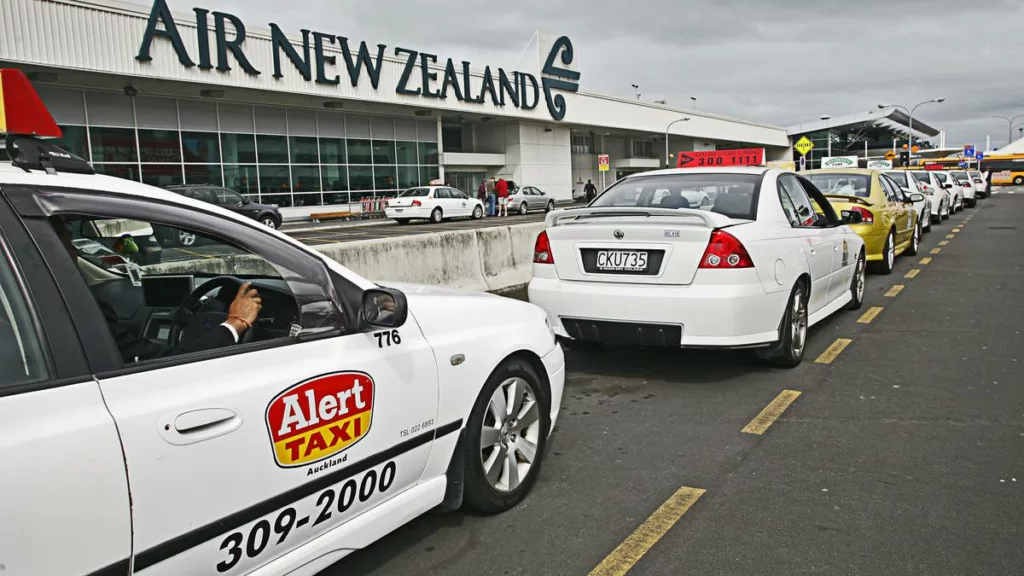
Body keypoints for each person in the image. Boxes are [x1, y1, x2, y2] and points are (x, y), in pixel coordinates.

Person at [50, 216, 263, 362]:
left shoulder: (40, 303)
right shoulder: (76, 312)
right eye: (70, 245)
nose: (75, 254)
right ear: (52, 251)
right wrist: (235, 322)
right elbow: (177, 362)